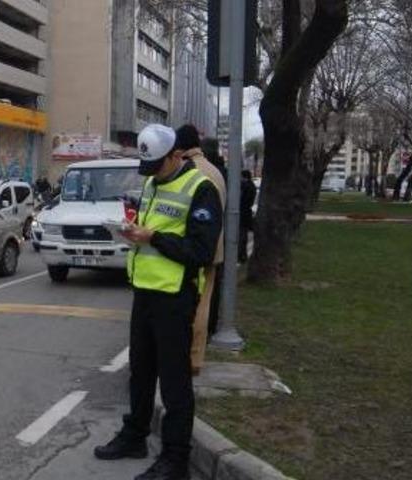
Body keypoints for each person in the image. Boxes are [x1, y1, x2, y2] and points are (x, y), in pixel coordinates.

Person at [94, 124, 222, 480]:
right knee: (141, 371)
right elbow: (151, 235)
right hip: (146, 293)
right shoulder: (152, 182)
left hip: (175, 297)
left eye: (157, 165)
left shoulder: (202, 189)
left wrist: (152, 237)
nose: (151, 174)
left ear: (176, 155)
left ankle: (175, 459)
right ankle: (134, 435)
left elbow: (200, 251)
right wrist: (131, 233)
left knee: (175, 382)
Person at [174, 125, 227, 376]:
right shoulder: (216, 171)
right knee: (204, 301)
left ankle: (186, 355)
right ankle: (196, 357)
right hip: (214, 248)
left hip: (189, 249)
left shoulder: (187, 171)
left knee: (187, 305)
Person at [239, 170, 257, 263]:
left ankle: (241, 256)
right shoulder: (252, 186)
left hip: (243, 215)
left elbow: (242, 201)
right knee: (243, 236)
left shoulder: (245, 187)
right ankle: (242, 255)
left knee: (241, 237)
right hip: (246, 215)